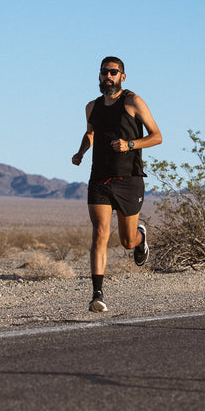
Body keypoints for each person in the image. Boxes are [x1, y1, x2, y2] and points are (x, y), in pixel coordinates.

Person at [72, 56, 163, 312]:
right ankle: (97, 294)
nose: (108, 76)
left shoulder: (133, 101)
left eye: (113, 72)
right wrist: (81, 152)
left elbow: (157, 137)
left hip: (129, 180)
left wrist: (130, 144)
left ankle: (140, 236)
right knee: (100, 233)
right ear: (99, 76)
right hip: (99, 178)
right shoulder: (92, 106)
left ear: (122, 76)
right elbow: (90, 133)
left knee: (126, 241)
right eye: (104, 72)